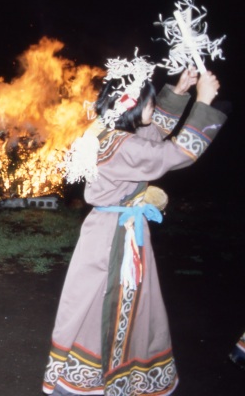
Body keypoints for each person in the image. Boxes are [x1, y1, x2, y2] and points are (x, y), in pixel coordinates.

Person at [42, 59, 226, 396]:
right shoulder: (123, 147)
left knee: (105, 304)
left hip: (112, 231)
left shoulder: (111, 132)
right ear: (133, 104)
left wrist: (179, 90)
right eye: (151, 102)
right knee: (102, 305)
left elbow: (151, 136)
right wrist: (202, 102)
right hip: (114, 241)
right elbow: (172, 154)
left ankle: (100, 378)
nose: (154, 108)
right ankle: (88, 381)